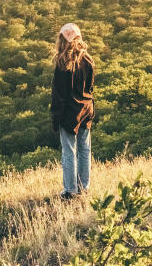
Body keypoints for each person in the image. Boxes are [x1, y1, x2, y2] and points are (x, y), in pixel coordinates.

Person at [50, 22, 95, 199]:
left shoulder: (63, 64)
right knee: (84, 149)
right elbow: (90, 88)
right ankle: (84, 187)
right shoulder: (88, 60)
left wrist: (55, 119)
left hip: (69, 112)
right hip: (86, 109)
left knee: (69, 151)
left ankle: (70, 190)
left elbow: (58, 96)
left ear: (62, 40)